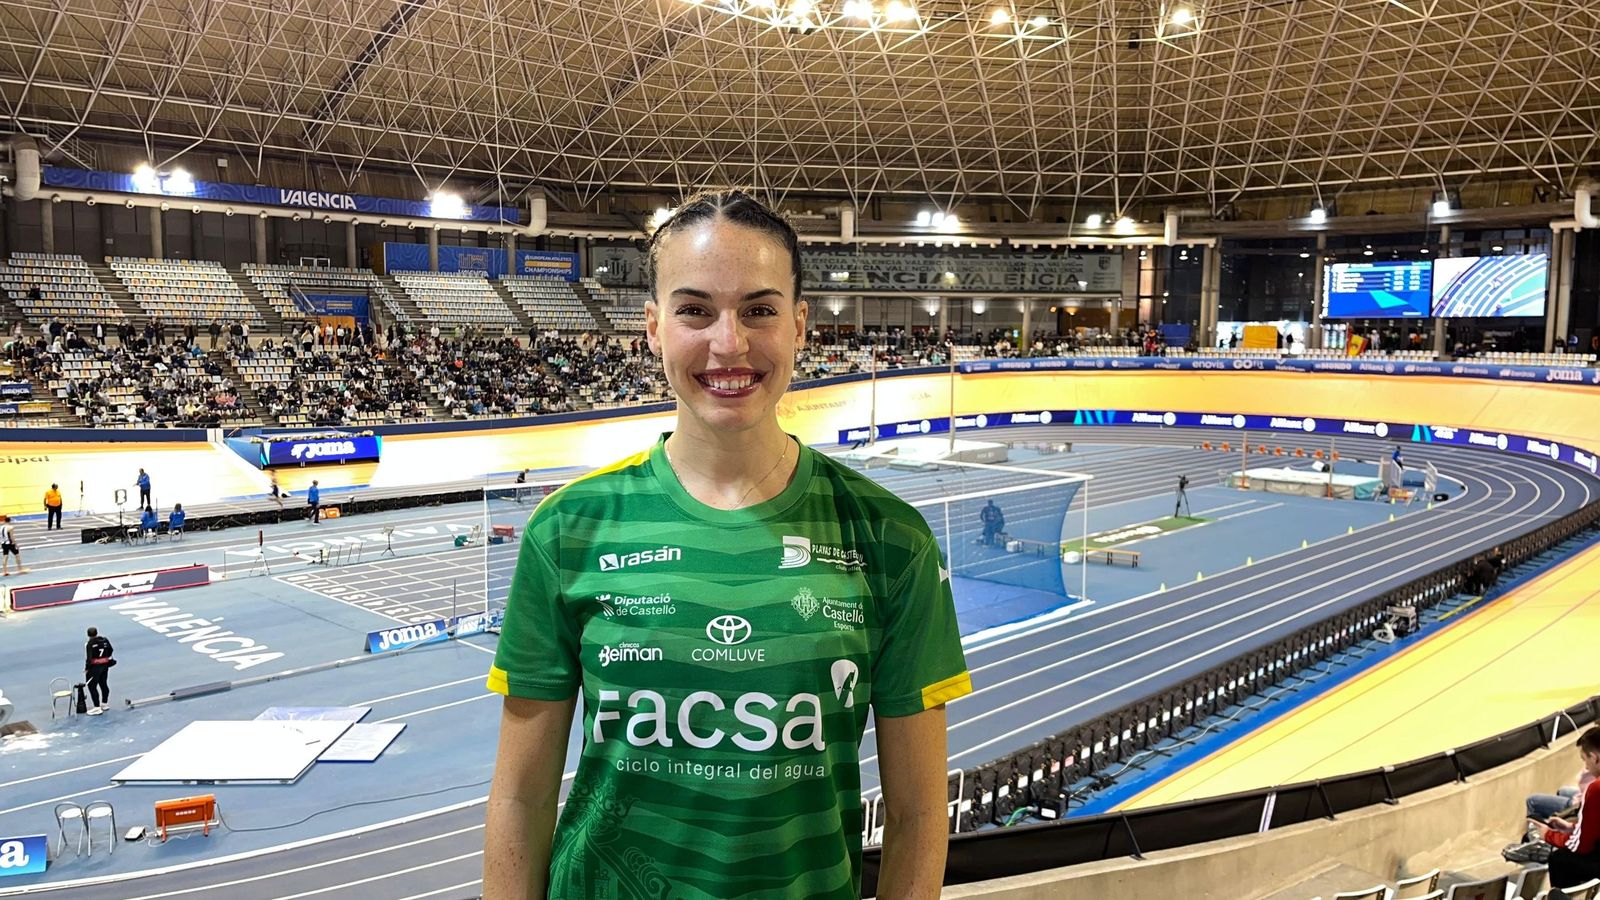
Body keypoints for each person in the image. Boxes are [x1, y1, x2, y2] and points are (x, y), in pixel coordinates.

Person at [483, 190, 970, 900]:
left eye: (759, 311)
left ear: (799, 325)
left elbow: (920, 815)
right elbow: (519, 799)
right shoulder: (568, 530)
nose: (729, 343)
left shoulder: (892, 539)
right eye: (695, 310)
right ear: (653, 328)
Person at [1522, 727, 1600, 892]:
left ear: (1594, 758)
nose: (1586, 767)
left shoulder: (1596, 789)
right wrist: (1571, 828)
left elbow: (1580, 846)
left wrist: (1548, 835)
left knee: (1559, 859)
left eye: (1585, 760)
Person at [84, 627, 114, 715]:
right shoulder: (105, 640)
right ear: (97, 633)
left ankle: (97, 707)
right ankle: (104, 704)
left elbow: (89, 658)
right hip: (105, 666)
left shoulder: (89, 644)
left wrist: (87, 668)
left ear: (88, 635)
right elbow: (111, 650)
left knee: (92, 686)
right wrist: (105, 657)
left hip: (94, 668)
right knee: (103, 684)